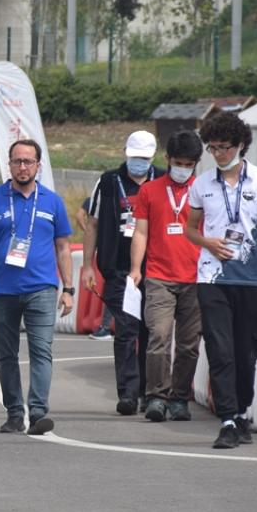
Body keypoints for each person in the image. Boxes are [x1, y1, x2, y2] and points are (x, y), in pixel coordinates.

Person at [187, 113, 257, 450]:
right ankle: (228, 419)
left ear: (240, 145)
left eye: (224, 147)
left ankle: (243, 411)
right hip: (211, 278)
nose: (218, 154)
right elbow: (189, 228)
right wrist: (207, 243)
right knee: (219, 348)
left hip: (252, 279)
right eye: (212, 148)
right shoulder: (202, 184)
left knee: (246, 353)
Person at [0, 139, 75, 436]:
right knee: (6, 354)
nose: (22, 166)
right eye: (17, 161)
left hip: (41, 287)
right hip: (2, 289)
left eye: (28, 161)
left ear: (38, 165)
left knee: (41, 350)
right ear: (9, 164)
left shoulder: (52, 201)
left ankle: (38, 411)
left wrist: (68, 288)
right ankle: (15, 412)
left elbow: (63, 247)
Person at [82, 130, 163, 416]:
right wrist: (88, 265)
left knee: (151, 331)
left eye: (143, 158)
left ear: (152, 157)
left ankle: (148, 391)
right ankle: (128, 393)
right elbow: (92, 223)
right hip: (118, 269)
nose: (138, 163)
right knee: (127, 329)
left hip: (155, 268)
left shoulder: (163, 180)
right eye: (133, 157)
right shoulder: (107, 182)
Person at [128, 131, 204, 423]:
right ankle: (156, 396)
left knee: (188, 344)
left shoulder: (202, 190)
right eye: (178, 162)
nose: (183, 168)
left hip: (195, 277)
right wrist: (136, 269)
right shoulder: (150, 190)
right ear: (167, 159)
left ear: (196, 164)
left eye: (189, 164)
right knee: (158, 336)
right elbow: (141, 232)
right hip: (159, 276)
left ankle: (180, 398)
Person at [78, 195, 114, 340]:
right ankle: (105, 326)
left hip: (108, 249)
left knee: (113, 289)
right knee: (113, 289)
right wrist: (91, 234)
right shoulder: (97, 197)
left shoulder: (97, 197)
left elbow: (79, 216)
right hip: (111, 249)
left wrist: (90, 233)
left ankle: (105, 326)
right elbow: (80, 216)